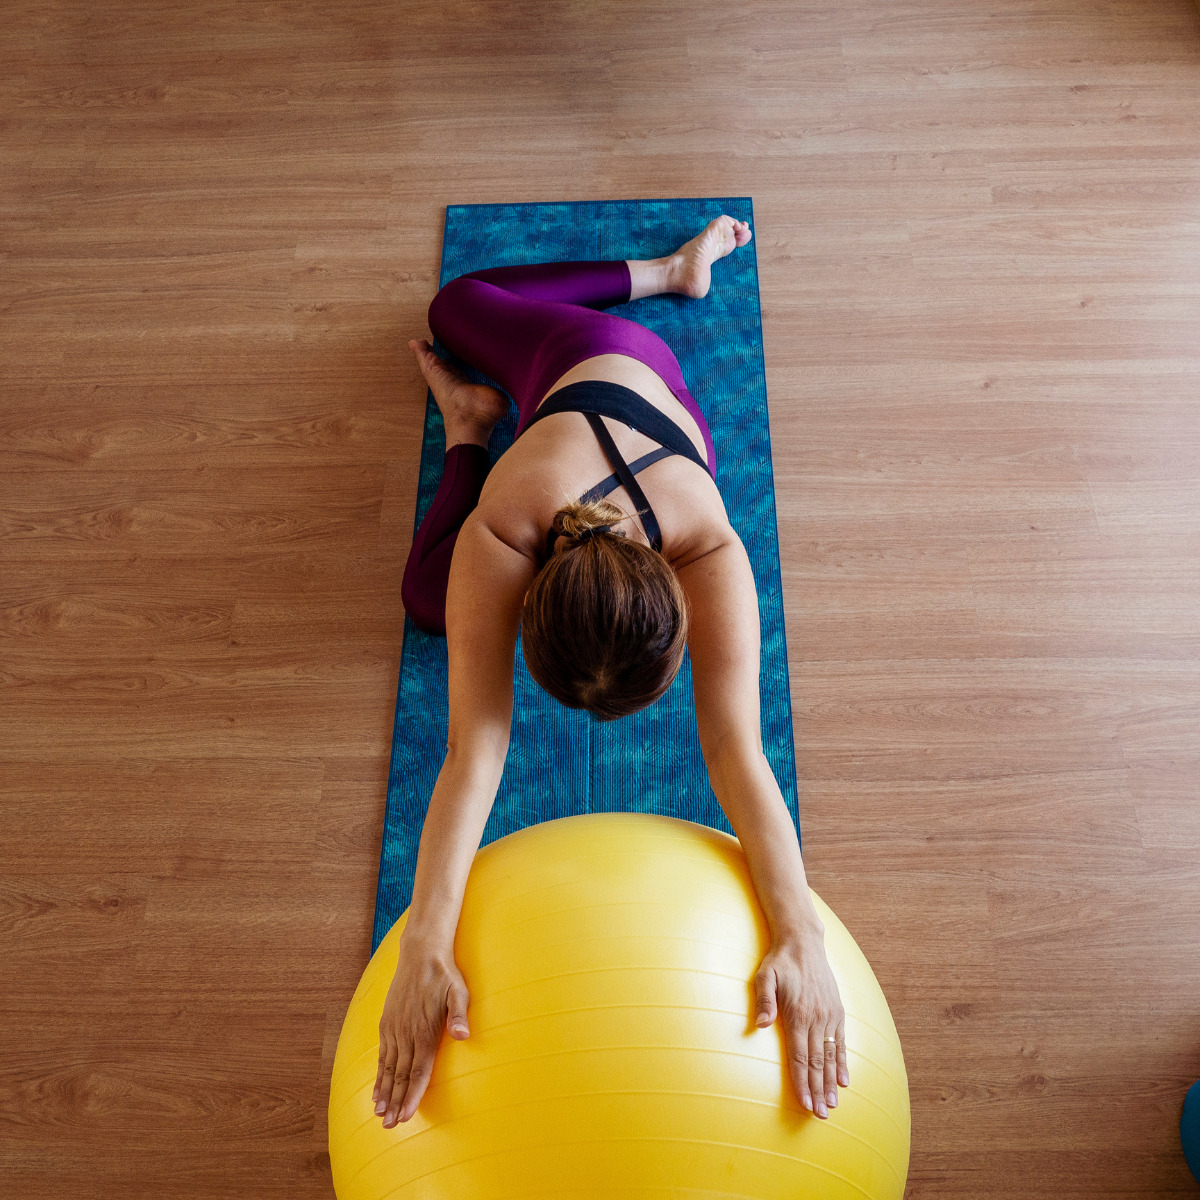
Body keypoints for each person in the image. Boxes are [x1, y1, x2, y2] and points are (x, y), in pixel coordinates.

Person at [374, 216, 849, 1129]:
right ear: (532, 590)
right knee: (428, 585)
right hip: (569, 362)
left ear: (676, 597)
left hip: (631, 368)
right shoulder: (507, 525)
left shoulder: (707, 543)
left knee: (435, 586)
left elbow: (738, 752)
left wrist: (804, 933)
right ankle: (494, 405)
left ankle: (643, 293)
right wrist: (422, 946)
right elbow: (472, 753)